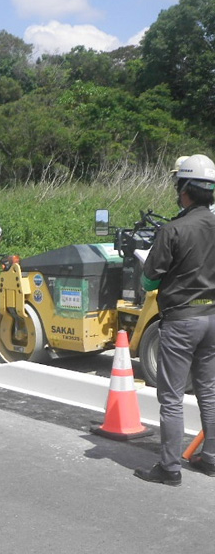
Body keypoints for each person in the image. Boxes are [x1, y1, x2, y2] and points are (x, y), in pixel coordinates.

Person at [134, 154, 215, 487]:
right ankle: (210, 459)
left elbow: (149, 281)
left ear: (185, 189)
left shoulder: (173, 230)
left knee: (171, 397)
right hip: (212, 318)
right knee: (209, 392)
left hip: (181, 319)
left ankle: (169, 468)